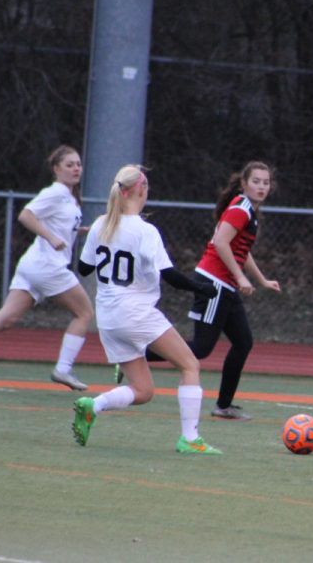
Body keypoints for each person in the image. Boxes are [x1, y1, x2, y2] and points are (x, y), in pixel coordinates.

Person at [72, 164, 221, 455]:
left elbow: (84, 268)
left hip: (109, 318)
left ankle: (94, 405)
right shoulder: (145, 230)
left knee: (144, 391)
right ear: (139, 190)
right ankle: (190, 439)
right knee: (190, 365)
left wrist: (99, 238)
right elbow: (170, 275)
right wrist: (201, 288)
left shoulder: (102, 224)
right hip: (136, 313)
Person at [0, 145, 94, 392]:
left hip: (33, 265)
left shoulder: (68, 196)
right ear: (56, 169)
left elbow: (58, 225)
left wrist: (80, 231)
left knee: (7, 318)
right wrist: (50, 237)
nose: (76, 168)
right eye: (69, 164)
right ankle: (63, 369)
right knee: (84, 313)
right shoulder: (56, 191)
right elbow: (26, 216)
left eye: (78, 164)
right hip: (48, 267)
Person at [147, 161, 280, 421]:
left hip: (226, 286)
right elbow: (220, 242)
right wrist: (240, 276)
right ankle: (134, 355)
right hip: (214, 284)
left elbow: (241, 250)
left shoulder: (249, 210)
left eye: (265, 182)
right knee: (200, 348)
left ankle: (224, 406)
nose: (261, 186)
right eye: (256, 181)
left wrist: (261, 280)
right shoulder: (241, 209)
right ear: (244, 183)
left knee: (243, 342)